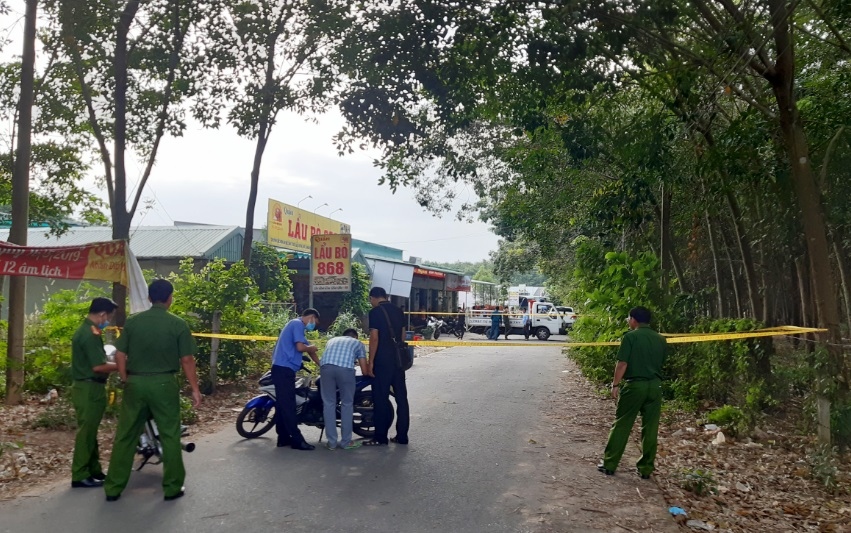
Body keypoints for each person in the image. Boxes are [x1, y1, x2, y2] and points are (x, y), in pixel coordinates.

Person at [104, 280, 202, 502]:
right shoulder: (178, 324)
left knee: (126, 435)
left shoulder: (133, 322)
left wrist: (125, 378)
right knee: (169, 434)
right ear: (170, 298)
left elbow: (120, 355)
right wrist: (195, 389)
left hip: (135, 383)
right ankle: (172, 487)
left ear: (149, 298)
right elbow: (187, 359)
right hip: (164, 384)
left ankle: (113, 488)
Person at [598, 306, 667, 479]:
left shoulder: (630, 337)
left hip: (635, 386)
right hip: (655, 387)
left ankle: (610, 463)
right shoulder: (660, 339)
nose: (628, 322)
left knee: (622, 424)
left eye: (629, 318)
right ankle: (645, 469)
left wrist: (615, 385)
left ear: (634, 320)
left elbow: (622, 364)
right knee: (650, 428)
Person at [70, 297, 119, 488]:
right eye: (108, 317)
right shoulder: (90, 334)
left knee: (90, 431)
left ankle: (93, 470)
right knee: (86, 433)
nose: (108, 321)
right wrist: (121, 366)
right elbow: (98, 366)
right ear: (102, 314)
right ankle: (80, 474)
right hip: (89, 387)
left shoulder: (89, 331)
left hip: (88, 387)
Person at [363, 287, 409, 446]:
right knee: (402, 399)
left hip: (382, 362)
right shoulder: (398, 311)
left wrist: (371, 362)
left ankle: (380, 437)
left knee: (380, 399)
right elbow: (402, 335)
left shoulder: (375, 312)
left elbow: (374, 338)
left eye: (371, 300)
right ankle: (402, 436)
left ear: (373, 298)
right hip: (398, 361)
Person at [271, 308, 321, 450]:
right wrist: (311, 347)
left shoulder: (295, 326)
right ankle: (297, 440)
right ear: (311, 317)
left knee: (281, 405)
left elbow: (308, 349)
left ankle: (283, 437)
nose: (313, 326)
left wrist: (321, 364)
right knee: (288, 406)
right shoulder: (297, 324)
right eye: (314, 323)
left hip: (282, 369)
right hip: (283, 369)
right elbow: (301, 347)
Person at [320, 328, 369, 450]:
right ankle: (346, 442)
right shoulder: (358, 343)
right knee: (347, 404)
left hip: (326, 368)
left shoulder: (332, 340)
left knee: (329, 403)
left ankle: (331, 443)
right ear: (355, 337)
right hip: (345, 370)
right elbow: (364, 370)